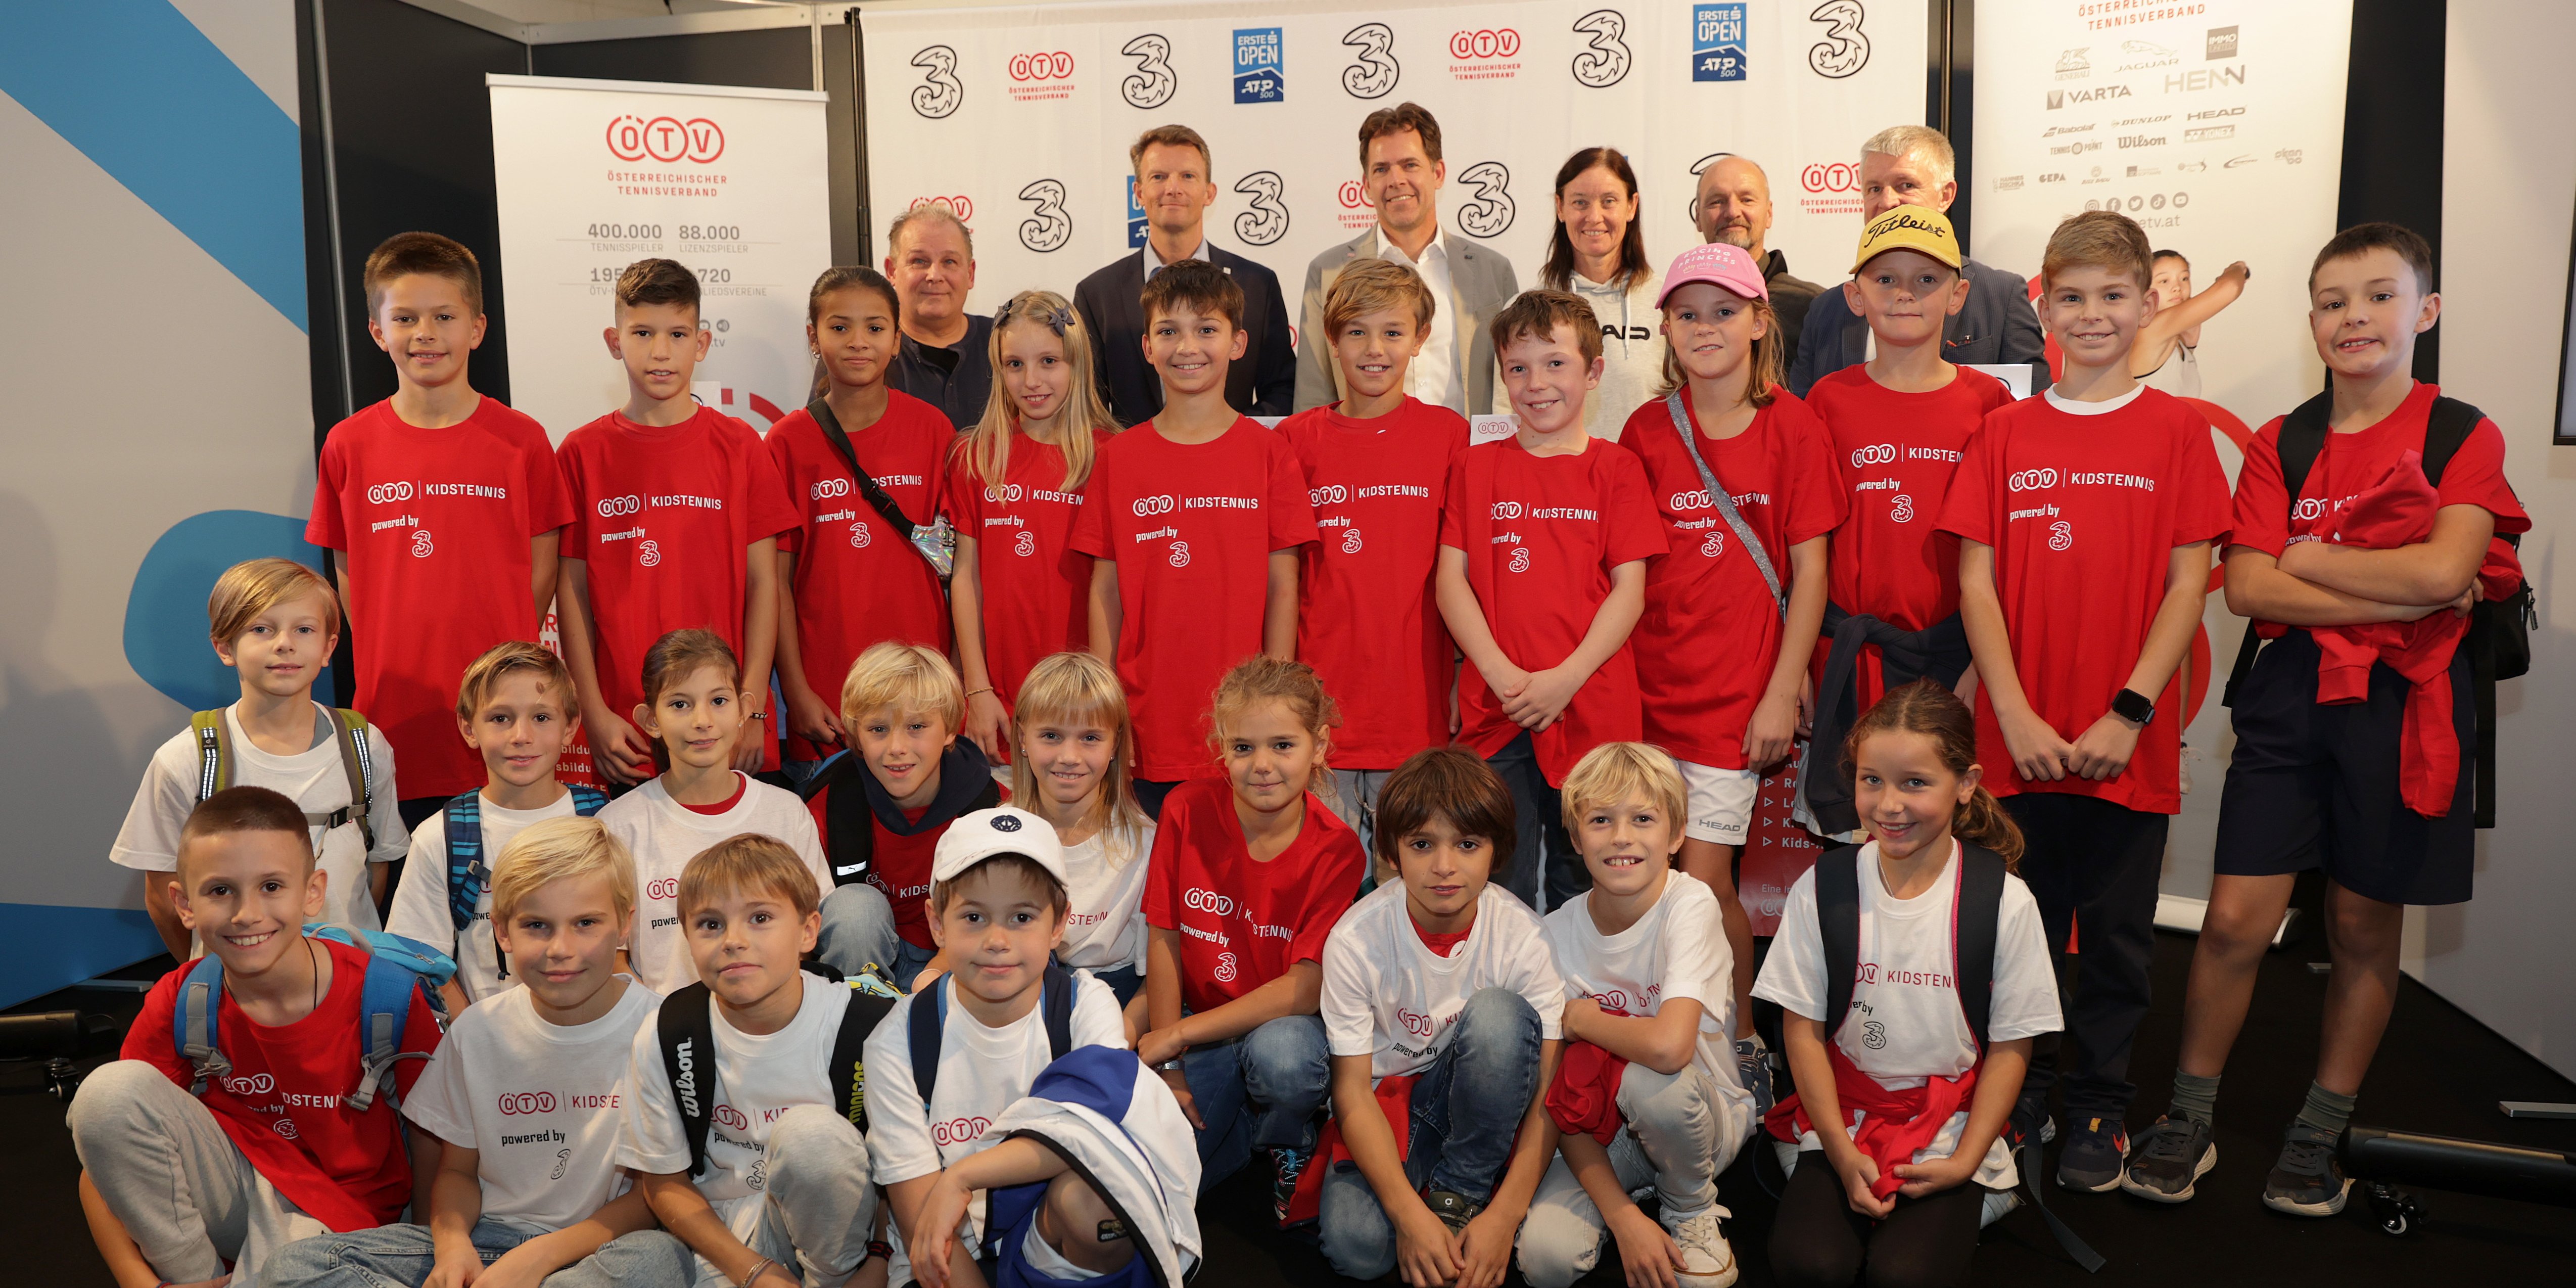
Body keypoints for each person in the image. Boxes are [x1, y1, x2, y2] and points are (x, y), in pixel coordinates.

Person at [2122, 224, 2528, 1215]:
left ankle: (2316, 1132)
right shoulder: (2281, 440)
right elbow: (2249, 587)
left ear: (2425, 312)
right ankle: (2188, 1114)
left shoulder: (2461, 432)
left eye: (2380, 296)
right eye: (2333, 301)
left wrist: (2311, 559)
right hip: (2289, 701)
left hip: (2406, 707)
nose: (2354, 317)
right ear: (2310, 320)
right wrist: (2396, 582)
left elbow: (2448, 570)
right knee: (2231, 921)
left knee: (2358, 922)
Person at [1934, 209, 2232, 1191]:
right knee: (2010, 937)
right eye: (2072, 296)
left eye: (2113, 295)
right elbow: (1975, 583)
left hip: (2123, 746)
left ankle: (2099, 1103)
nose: (2092, 313)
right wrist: (2013, 714)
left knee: (2115, 943)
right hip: (2014, 742)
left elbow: (2187, 586)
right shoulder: (2002, 431)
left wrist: (2128, 711)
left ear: (2148, 304)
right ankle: (2017, 1096)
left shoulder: (2178, 432)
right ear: (2045, 305)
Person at [263, 818, 692, 1288]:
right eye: (536, 926)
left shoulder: (663, 1031)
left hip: (594, 1251)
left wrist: (535, 1261)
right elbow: (457, 1173)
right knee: (296, 1267)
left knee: (659, 1257)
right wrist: (452, 1249)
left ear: (625, 924)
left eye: (586, 923)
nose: (561, 948)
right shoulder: (477, 1031)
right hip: (486, 1239)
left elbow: (651, 1195)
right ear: (503, 932)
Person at [1754, 682, 2061, 1288]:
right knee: (1809, 1264)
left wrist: (1965, 1160)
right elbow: (1802, 1032)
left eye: (1915, 782)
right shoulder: (1824, 886)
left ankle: (1981, 1190)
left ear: (1966, 784)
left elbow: (2012, 1046)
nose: (1889, 804)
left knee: (1904, 1275)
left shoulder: (2004, 900)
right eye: (1872, 780)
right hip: (1843, 1116)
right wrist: (1840, 1151)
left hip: (1952, 1125)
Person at [74, 787, 443, 1287]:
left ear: (312, 892)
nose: (246, 913)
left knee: (291, 1273)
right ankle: (196, 1279)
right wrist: (143, 1283)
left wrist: (421, 1255)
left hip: (349, 1216)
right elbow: (106, 1153)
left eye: (271, 886)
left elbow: (438, 1143)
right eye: (220, 890)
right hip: (236, 1190)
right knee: (106, 1094)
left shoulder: (387, 996)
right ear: (184, 903)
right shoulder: (183, 998)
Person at [1622, 243, 1842, 1073]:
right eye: (1687, 313)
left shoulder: (1794, 426)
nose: (1704, 327)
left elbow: (1810, 572)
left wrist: (1781, 689)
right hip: (1647, 692)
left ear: (1759, 321)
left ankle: (1742, 1038)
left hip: (1736, 698)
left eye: (1723, 311)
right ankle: (1662, 1032)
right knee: (1642, 877)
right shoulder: (1645, 430)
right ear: (1666, 328)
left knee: (1705, 880)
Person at [306, 232, 571, 825]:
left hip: (504, 719)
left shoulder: (523, 441)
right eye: (405, 318)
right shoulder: (348, 445)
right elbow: (349, 576)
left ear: (476, 328)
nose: (425, 333)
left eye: (444, 317)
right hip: (394, 716)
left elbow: (544, 568)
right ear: (378, 332)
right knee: (400, 875)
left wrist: (503, 656)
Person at [1437, 291, 1663, 913]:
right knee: (1496, 884)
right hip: (1497, 707)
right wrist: (1499, 674)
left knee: (1587, 885)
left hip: (1593, 707)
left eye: (1555, 363)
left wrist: (1566, 678)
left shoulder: (1617, 468)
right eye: (1518, 368)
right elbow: (1451, 581)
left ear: (1593, 372)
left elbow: (1630, 590)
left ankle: (1586, 984)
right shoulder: (1473, 467)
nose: (1536, 383)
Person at [1309, 746, 1565, 1285]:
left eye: (1467, 844)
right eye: (1422, 844)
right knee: (1358, 1251)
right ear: (1392, 851)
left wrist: (1505, 1215)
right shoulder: (1355, 939)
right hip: (1390, 1106)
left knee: (1498, 1015)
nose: (1444, 866)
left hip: (1488, 1107)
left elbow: (1548, 1091)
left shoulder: (1524, 937)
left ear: (1497, 851)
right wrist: (1406, 1216)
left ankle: (1462, 1192)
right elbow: (1351, 1091)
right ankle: (1430, 1196)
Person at [1071, 259, 1318, 815]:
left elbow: (1284, 586)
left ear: (1238, 343)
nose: (1188, 347)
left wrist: (1274, 701)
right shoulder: (1119, 458)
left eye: (1206, 329)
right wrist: (1106, 706)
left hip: (1245, 727)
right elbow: (1104, 591)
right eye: (1169, 331)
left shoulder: (1269, 452)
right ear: (1147, 347)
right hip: (1147, 721)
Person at [1804, 206, 2014, 833]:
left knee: (1950, 837)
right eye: (1885, 279)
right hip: (1851, 658)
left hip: (1955, 658)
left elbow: (2007, 552)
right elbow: (1808, 549)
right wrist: (1803, 669)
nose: (1905, 294)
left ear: (1959, 295)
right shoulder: (1828, 400)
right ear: (1856, 296)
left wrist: (1982, 665)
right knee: (1857, 838)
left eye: (1926, 280)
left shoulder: (1991, 403)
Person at [864, 808, 1135, 1287]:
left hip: (1048, 1234)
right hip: (947, 1253)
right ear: (937, 923)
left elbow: (1099, 1140)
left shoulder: (1084, 1007)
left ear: (1059, 924)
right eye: (973, 917)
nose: (997, 940)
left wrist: (962, 1176)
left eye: (1022, 917)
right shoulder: (897, 1039)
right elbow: (919, 1215)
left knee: (1100, 1206)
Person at [556, 258, 800, 785]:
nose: (661, 351)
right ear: (614, 341)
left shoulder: (741, 447)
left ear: (702, 343)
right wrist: (592, 712)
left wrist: (752, 706)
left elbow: (765, 585)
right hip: (626, 727)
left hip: (727, 724)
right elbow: (571, 591)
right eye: (642, 333)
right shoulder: (581, 453)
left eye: (677, 334)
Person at [1520, 743, 1754, 1288]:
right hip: (1602, 1130)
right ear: (1575, 838)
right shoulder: (1553, 934)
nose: (1621, 837)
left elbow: (1670, 1049)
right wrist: (1622, 1218)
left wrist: (1580, 1019)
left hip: (1698, 1121)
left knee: (1650, 1077)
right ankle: (1636, 1199)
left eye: (1643, 819)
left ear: (1676, 835)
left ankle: (1690, 1207)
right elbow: (1560, 1097)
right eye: (1600, 820)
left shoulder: (1689, 904)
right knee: (1546, 1262)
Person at [1135, 658, 1366, 1211]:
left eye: (1283, 745)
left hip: (1280, 1030)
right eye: (1243, 747)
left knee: (1284, 1058)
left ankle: (1291, 1135)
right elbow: (1165, 939)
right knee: (1156, 1185)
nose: (1262, 765)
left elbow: (1305, 989)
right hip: (1201, 1026)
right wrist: (1170, 1066)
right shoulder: (1185, 809)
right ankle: (1245, 1132)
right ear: (1221, 749)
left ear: (1319, 745)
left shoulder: (1338, 850)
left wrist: (1177, 1037)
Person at [620, 835, 893, 1288]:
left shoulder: (872, 1026)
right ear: (687, 938)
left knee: (811, 1136)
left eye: (760, 918)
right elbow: (664, 1183)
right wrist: (753, 1271)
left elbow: (900, 1170)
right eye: (710, 924)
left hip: (850, 1245)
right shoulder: (668, 1030)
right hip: (725, 1240)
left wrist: (878, 1264)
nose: (733, 941)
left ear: (808, 931)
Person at [112, 558, 406, 953]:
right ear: (224, 647)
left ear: (328, 647)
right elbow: (164, 897)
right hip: (232, 981)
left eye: (304, 629)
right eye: (261, 629)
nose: (284, 643)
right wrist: (209, 968)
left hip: (348, 976)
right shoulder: (186, 759)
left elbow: (375, 870)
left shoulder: (365, 746)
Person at [1276, 259, 1469, 858]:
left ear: (1420, 338)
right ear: (1331, 340)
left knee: (1412, 887)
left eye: (1392, 332)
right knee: (1322, 888)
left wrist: (1463, 676)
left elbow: (1466, 576)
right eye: (1356, 332)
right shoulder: (1293, 442)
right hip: (1321, 719)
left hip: (1415, 714)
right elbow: (1282, 580)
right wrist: (1283, 699)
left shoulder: (1450, 437)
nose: (1374, 349)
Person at [770, 266, 954, 780]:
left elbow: (959, 567)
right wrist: (797, 692)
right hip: (828, 698)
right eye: (839, 327)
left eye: (874, 328)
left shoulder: (933, 430)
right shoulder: (786, 443)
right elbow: (776, 583)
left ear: (897, 340)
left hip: (922, 690)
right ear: (814, 337)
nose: (858, 342)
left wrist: (958, 674)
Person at [595, 630, 842, 993]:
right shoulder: (619, 825)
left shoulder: (786, 813)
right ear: (651, 720)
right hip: (664, 1021)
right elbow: (612, 956)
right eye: (680, 704)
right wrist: (662, 1017)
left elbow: (806, 939)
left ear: (744, 709)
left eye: (719, 701)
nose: (702, 720)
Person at [947, 289, 1120, 764]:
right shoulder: (975, 456)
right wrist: (977, 688)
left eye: (1048, 361)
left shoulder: (1111, 456)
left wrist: (1105, 695)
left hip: (1085, 701)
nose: (1031, 381)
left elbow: (1119, 591)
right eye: (1014, 364)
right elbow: (965, 577)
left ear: (1076, 363)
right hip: (999, 701)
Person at [385, 640, 604, 1011]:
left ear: (570, 727)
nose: (521, 736)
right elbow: (420, 960)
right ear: (469, 728)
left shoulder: (605, 823)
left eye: (541, 718)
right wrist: (473, 1033)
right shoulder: (441, 836)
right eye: (501, 719)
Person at [1788, 126, 2048, 397]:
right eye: (1875, 188)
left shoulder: (2001, 295)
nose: (1888, 202)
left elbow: (2031, 406)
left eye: (1906, 186)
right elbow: (1805, 412)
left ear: (1945, 195)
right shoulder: (1826, 309)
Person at [1296, 103, 1520, 416]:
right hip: (1365, 445)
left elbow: (1515, 381)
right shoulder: (1328, 273)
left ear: (1438, 173)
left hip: (1468, 445)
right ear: (1366, 185)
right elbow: (1312, 398)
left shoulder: (1493, 270)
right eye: (1381, 169)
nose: (1396, 180)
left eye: (1410, 165)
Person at [799, 641, 1000, 988]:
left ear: (950, 730)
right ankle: (855, 1012)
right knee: (854, 908)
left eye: (917, 727)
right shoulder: (828, 804)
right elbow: (797, 917)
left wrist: (935, 974)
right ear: (856, 736)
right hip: (860, 953)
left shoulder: (992, 808)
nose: (896, 748)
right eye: (878, 729)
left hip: (954, 958)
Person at [1074, 124, 1298, 425]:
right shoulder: (1097, 294)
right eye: (1159, 177)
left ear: (1209, 192)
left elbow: (1282, 390)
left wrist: (1230, 436)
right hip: (1134, 453)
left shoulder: (1258, 284)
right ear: (1138, 192)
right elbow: (1089, 405)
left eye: (1188, 176)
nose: (1173, 188)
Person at [1011, 651, 1155, 1007]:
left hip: (1116, 1000)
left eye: (1090, 738)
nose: (1069, 757)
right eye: (1051, 736)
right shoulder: (994, 835)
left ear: (1115, 744)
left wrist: (1119, 1036)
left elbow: (1157, 979)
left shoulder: (1146, 844)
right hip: (1016, 998)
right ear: (1023, 738)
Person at [1542, 147, 1664, 442]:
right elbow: (1508, 413)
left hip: (1648, 470)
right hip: (1558, 469)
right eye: (1580, 202)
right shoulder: (1532, 311)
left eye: (1609, 201)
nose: (1594, 217)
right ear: (1560, 207)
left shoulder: (1668, 303)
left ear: (1632, 206)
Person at [1695, 154, 1824, 373]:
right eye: (1717, 201)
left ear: (1769, 213)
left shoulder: (1813, 307)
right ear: (1698, 217)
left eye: (1747, 200)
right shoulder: (1680, 307)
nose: (1732, 212)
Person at [883, 203, 993, 430]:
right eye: (919, 261)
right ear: (892, 271)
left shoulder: (1004, 344)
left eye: (949, 262)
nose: (934, 275)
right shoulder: (867, 351)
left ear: (970, 274)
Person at [2131, 250, 2251, 397]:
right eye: (2164, 281)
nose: (2177, 287)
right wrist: (2237, 268)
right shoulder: (2150, 330)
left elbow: (2199, 306)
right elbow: (2231, 288)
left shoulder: (2182, 339)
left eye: (2184, 278)